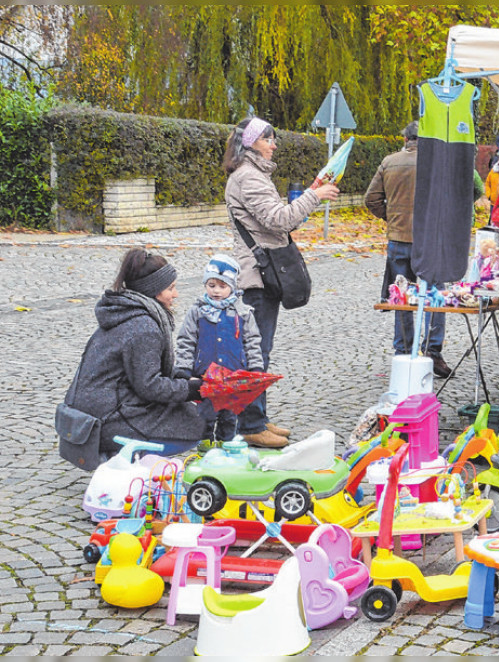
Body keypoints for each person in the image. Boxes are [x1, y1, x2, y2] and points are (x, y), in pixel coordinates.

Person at [224, 116, 340, 447]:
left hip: (262, 273)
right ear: (251, 144)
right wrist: (314, 195)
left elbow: (278, 223)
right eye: (268, 139)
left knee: (260, 349)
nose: (274, 144)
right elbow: (279, 219)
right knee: (256, 352)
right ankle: (250, 426)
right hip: (257, 276)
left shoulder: (253, 174)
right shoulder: (249, 178)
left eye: (274, 138)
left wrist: (304, 204)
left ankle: (256, 419)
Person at [65, 249, 206, 461]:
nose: (175, 294)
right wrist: (193, 390)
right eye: (171, 288)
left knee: (185, 411)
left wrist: (185, 379)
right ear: (153, 290)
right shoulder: (144, 327)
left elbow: (144, 370)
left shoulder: (124, 311)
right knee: (197, 423)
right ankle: (125, 457)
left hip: (97, 408)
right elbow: (150, 386)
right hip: (107, 417)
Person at [364, 121, 450, 378]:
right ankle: (432, 351)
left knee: (401, 297)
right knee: (434, 295)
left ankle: (403, 351)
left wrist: (392, 218)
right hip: (430, 240)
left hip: (399, 238)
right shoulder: (436, 164)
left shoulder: (389, 162)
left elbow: (371, 199)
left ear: (405, 139)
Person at [174, 255, 274, 446]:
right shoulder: (197, 311)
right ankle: (204, 447)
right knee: (204, 415)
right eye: (211, 285)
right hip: (206, 376)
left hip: (232, 376)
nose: (216, 291)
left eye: (222, 286)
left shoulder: (243, 312)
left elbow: (252, 341)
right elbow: (186, 340)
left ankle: (225, 446)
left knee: (229, 416)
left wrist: (255, 368)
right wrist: (183, 369)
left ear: (232, 287)